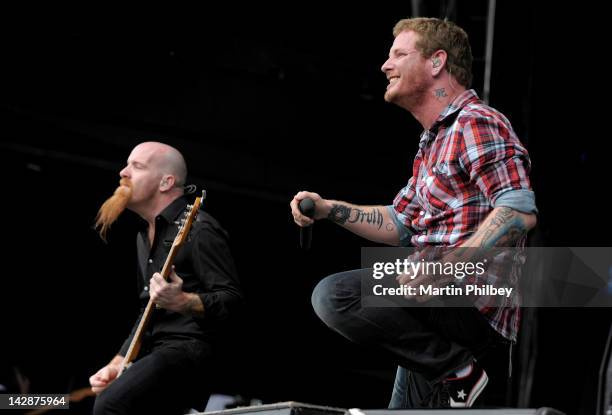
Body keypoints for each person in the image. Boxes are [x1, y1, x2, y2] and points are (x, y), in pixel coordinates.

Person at [290, 17, 537, 409]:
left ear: (437, 62)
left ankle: (458, 369)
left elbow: (518, 212)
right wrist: (327, 209)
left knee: (335, 295)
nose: (385, 66)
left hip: (466, 300)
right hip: (428, 303)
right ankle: (456, 372)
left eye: (399, 55)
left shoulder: (476, 122)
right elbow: (399, 223)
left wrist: (444, 268)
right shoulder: (432, 143)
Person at [90, 142, 242, 414]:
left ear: (166, 182)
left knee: (110, 405)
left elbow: (233, 301)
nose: (123, 172)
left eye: (136, 166)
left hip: (191, 350)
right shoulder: (141, 236)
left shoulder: (199, 228)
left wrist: (185, 301)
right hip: (157, 351)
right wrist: (117, 362)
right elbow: (147, 309)